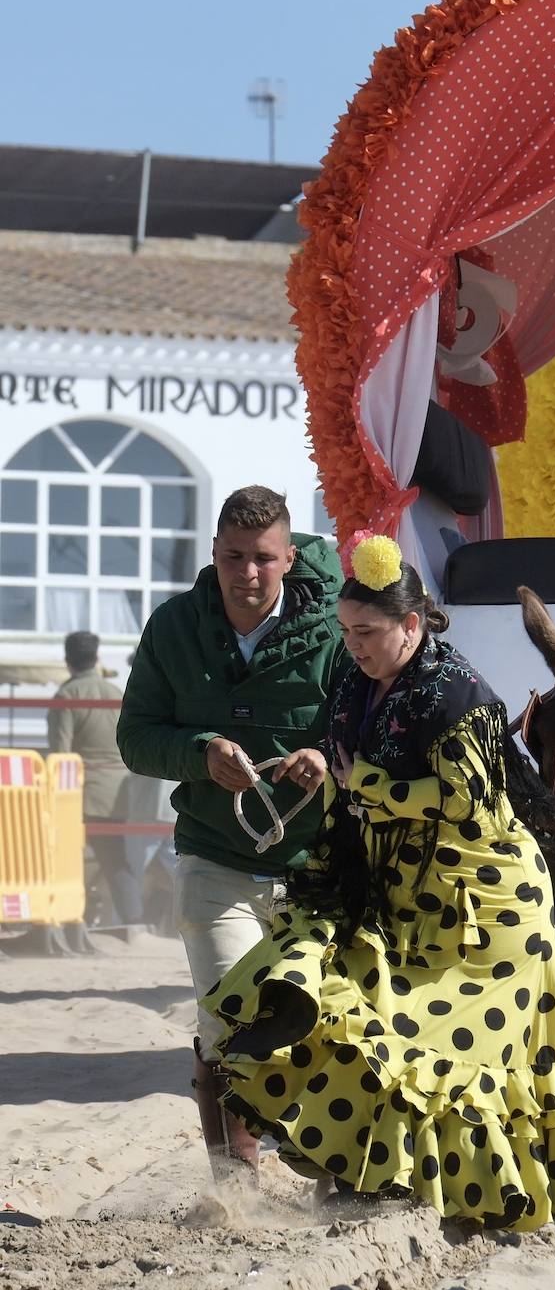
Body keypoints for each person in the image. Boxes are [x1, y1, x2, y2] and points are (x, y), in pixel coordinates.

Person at [202, 534, 555, 1230]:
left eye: (367, 633)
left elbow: (464, 800)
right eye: (346, 632)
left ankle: (483, 1191)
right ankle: (382, 1176)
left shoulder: (459, 695)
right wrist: (321, 765)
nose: (353, 646)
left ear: (411, 626)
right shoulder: (355, 681)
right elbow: (344, 755)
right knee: (371, 1019)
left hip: (487, 909)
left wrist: (369, 784)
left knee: (445, 1055)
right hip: (401, 892)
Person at [117, 486, 346, 1185]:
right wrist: (200, 753)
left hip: (323, 869)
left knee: (328, 1028)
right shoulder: (172, 627)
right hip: (215, 861)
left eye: (264, 559)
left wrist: (327, 762)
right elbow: (135, 739)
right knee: (230, 1016)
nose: (248, 574)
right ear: (213, 554)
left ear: (289, 558)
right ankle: (235, 1177)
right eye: (234, 558)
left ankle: (334, 1165)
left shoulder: (342, 627)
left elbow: (377, 730)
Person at [48, 631, 143, 927]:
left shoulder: (66, 695)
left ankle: (73, 918)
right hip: (119, 790)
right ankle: (133, 920)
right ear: (97, 658)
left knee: (66, 860)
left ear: (67, 661)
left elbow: (60, 754)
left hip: (81, 792)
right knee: (114, 859)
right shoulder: (115, 693)